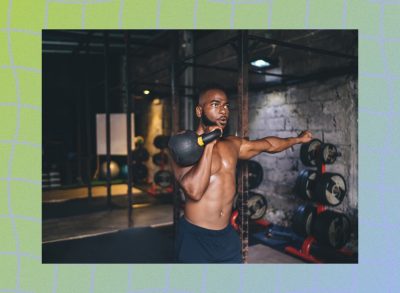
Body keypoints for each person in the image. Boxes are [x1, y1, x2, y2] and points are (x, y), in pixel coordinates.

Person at [169, 86, 313, 263]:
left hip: (226, 235)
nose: (223, 111)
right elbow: (194, 191)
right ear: (199, 110)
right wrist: (209, 145)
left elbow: (268, 144)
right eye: (215, 104)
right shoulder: (183, 146)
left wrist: (297, 139)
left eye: (227, 106)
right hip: (195, 238)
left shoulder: (232, 144)